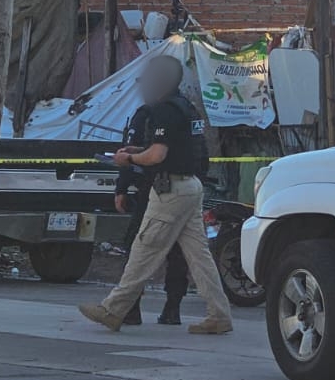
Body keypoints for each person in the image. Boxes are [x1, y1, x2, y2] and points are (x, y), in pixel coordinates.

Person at [78, 56, 232, 335]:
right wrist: (138, 152)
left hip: (170, 189)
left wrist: (128, 160)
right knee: (199, 257)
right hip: (191, 186)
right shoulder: (186, 107)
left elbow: (158, 155)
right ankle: (219, 314)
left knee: (144, 249)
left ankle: (113, 309)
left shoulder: (163, 110)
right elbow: (175, 148)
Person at [114, 102, 190, 326]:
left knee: (138, 246)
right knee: (181, 250)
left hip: (154, 188)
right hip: (187, 187)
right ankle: (174, 307)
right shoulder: (187, 109)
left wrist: (122, 187)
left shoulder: (151, 112)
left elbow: (148, 153)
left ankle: (130, 307)